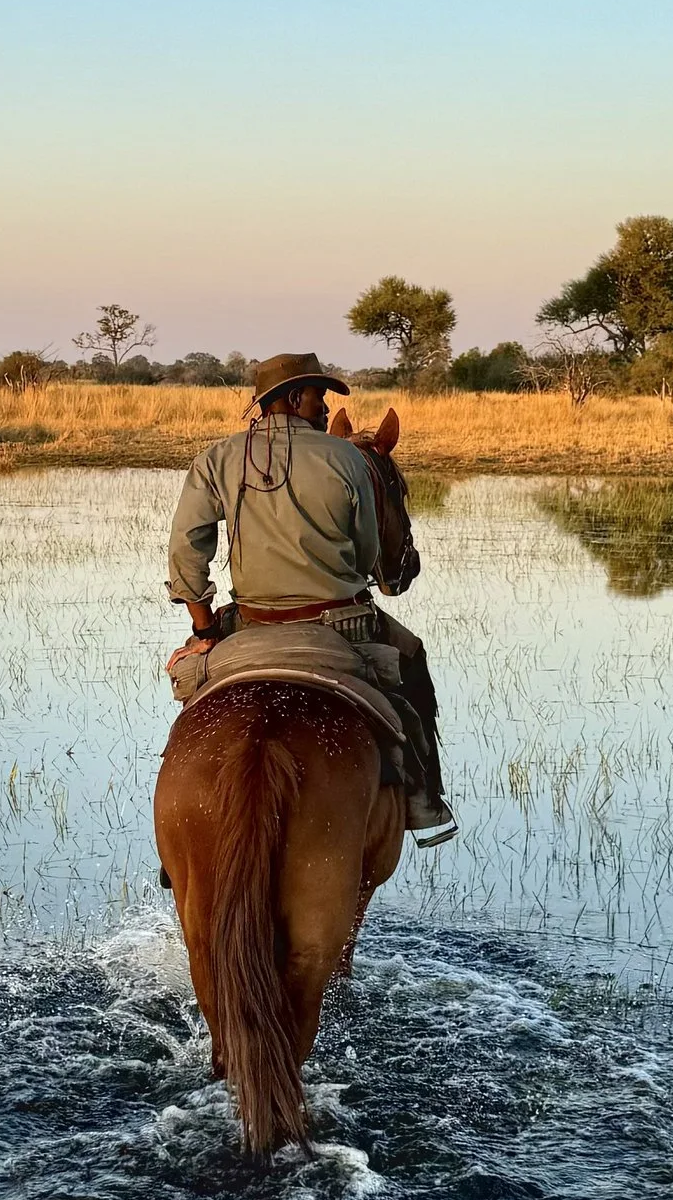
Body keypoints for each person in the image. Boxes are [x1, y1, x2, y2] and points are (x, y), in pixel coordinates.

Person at [167, 350, 456, 842]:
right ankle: (424, 801)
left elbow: (185, 549)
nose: (324, 409)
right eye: (320, 397)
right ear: (295, 397)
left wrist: (205, 631)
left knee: (194, 708)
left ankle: (179, 835)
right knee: (412, 656)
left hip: (250, 624)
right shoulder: (347, 458)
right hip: (343, 626)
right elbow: (369, 560)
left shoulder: (215, 458)